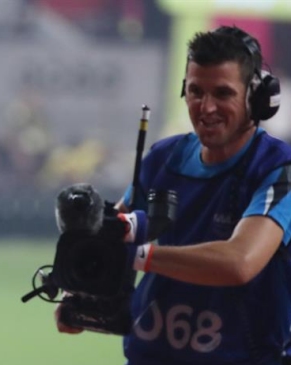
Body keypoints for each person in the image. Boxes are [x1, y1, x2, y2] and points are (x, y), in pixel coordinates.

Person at [55, 26, 291, 365]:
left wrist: (138, 255)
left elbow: (240, 262)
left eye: (222, 94)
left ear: (255, 98)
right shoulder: (163, 158)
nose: (205, 107)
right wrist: (79, 296)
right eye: (195, 91)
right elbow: (112, 233)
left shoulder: (278, 169)